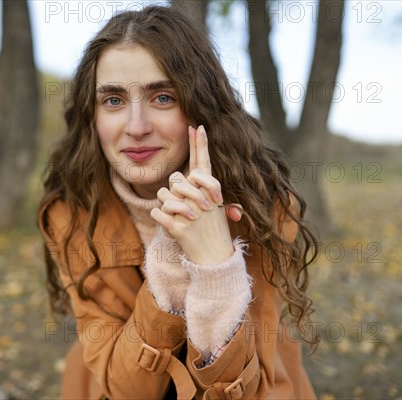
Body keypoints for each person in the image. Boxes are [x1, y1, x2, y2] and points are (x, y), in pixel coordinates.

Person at [38, 5, 319, 399]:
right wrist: (170, 264)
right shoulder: (71, 214)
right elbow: (127, 389)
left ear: (199, 105)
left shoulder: (262, 204)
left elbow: (243, 389)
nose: (136, 127)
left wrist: (217, 267)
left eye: (163, 97)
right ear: (92, 115)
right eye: (114, 101)